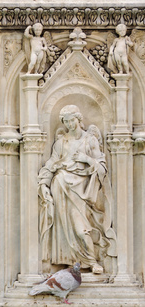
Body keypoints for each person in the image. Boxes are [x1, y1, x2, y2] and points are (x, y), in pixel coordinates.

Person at [38, 105, 116, 274]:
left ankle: (92, 261)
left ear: (79, 119)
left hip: (82, 190)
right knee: (66, 229)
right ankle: (71, 262)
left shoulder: (90, 140)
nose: (70, 125)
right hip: (61, 188)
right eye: (66, 122)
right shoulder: (60, 143)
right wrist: (44, 184)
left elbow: (102, 167)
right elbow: (51, 164)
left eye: (72, 120)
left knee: (82, 228)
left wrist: (86, 159)